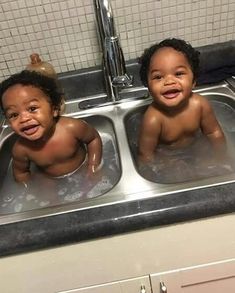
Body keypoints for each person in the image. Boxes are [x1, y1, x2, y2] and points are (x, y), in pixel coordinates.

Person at [0, 70, 102, 184]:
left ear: (54, 109)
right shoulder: (21, 149)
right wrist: (29, 191)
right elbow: (21, 173)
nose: (24, 119)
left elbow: (93, 139)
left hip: (82, 170)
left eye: (32, 108)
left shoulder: (72, 128)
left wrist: (93, 165)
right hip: (49, 181)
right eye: (14, 115)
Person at [138, 38, 226, 164]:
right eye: (158, 77)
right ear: (148, 86)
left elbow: (214, 133)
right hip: (169, 158)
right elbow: (145, 155)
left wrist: (221, 158)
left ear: (194, 80)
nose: (169, 82)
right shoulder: (153, 119)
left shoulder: (200, 105)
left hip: (197, 149)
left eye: (178, 74)